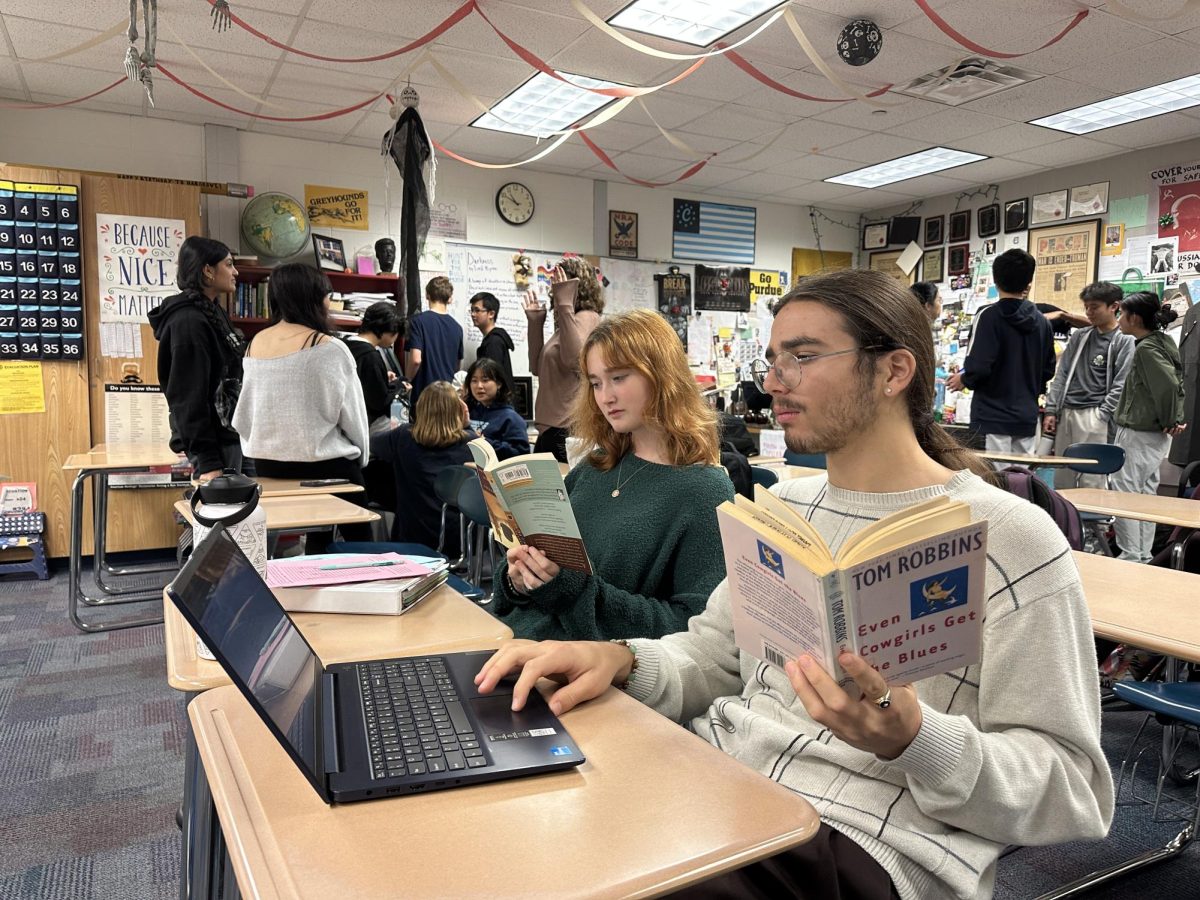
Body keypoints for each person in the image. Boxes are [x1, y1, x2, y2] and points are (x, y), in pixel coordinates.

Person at [476, 269, 1113, 900]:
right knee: (514, 829)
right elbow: (714, 657)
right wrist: (619, 657)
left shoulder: (1009, 538)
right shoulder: (786, 511)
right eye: (774, 359)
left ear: (893, 372)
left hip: (859, 839)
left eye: (802, 357)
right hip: (719, 781)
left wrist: (916, 741)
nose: (774, 381)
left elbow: (1073, 788)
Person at [494, 308, 734, 642]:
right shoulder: (597, 465)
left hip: (585, 673)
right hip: (517, 640)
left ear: (661, 374)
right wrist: (517, 579)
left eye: (619, 378)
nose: (606, 397)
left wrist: (568, 590)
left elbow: (695, 631)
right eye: (595, 383)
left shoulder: (704, 490)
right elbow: (533, 572)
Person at [232, 264, 369, 489]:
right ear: (316, 298)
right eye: (328, 295)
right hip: (328, 469)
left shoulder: (254, 344)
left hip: (268, 468)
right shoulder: (331, 348)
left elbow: (244, 417)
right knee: (358, 522)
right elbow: (355, 420)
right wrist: (362, 458)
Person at [148, 236, 248, 480]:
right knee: (223, 516)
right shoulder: (189, 322)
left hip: (228, 437)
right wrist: (208, 462)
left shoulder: (212, 311)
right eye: (228, 264)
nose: (235, 272)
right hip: (214, 448)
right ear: (208, 270)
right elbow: (188, 397)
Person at [946, 249, 1055, 457]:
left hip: (991, 417)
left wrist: (965, 379)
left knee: (993, 482)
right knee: (1020, 481)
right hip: (1026, 417)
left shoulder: (987, 316)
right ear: (1028, 283)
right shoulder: (1042, 322)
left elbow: (978, 367)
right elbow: (1048, 370)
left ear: (995, 280)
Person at [1109, 291, 1186, 562]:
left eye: (1122, 314)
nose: (1118, 319)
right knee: (1144, 493)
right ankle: (1141, 554)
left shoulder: (1146, 349)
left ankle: (1132, 554)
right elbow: (1173, 384)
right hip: (1151, 434)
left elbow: (1168, 385)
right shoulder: (1161, 341)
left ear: (1135, 318)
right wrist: (1172, 419)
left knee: (1125, 491)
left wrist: (1171, 419)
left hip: (1140, 431)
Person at [1043, 282, 1134, 487]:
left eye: (1094, 307)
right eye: (1086, 307)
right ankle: (1066, 519)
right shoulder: (1080, 336)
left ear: (1114, 306)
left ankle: (1093, 520)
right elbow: (1062, 374)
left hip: (1094, 414)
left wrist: (1102, 415)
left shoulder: (1124, 340)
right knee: (1063, 476)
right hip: (1067, 411)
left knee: (1092, 479)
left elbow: (1122, 382)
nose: (1089, 312)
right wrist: (1051, 410)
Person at [370, 381, 476, 552]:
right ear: (458, 411)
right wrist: (468, 425)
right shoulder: (472, 443)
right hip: (460, 543)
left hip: (412, 540)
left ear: (419, 409)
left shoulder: (402, 437)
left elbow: (371, 442)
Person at [525, 258, 604, 463]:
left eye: (562, 281)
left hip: (567, 430)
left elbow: (575, 360)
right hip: (550, 428)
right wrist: (535, 322)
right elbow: (536, 367)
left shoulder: (587, 317)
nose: (555, 288)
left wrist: (564, 305)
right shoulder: (565, 326)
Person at [405, 275, 463, 414]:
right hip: (448, 396)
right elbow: (457, 366)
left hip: (424, 395)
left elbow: (415, 360)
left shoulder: (417, 322)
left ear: (427, 295)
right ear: (450, 299)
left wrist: (406, 381)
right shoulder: (457, 327)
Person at [343, 301, 403, 434]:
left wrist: (382, 377)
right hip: (366, 423)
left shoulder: (346, 344)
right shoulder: (370, 356)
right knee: (402, 419)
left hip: (346, 419)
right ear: (388, 331)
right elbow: (380, 402)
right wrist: (399, 386)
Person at [465, 356, 530, 461]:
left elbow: (521, 453)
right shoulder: (469, 411)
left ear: (499, 384)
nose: (479, 386)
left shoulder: (511, 418)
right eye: (474, 380)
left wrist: (485, 443)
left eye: (485, 380)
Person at [469, 291, 514, 390]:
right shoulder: (491, 339)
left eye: (477, 310)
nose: (472, 314)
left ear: (491, 314)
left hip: (497, 403)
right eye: (471, 310)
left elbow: (492, 378)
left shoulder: (494, 342)